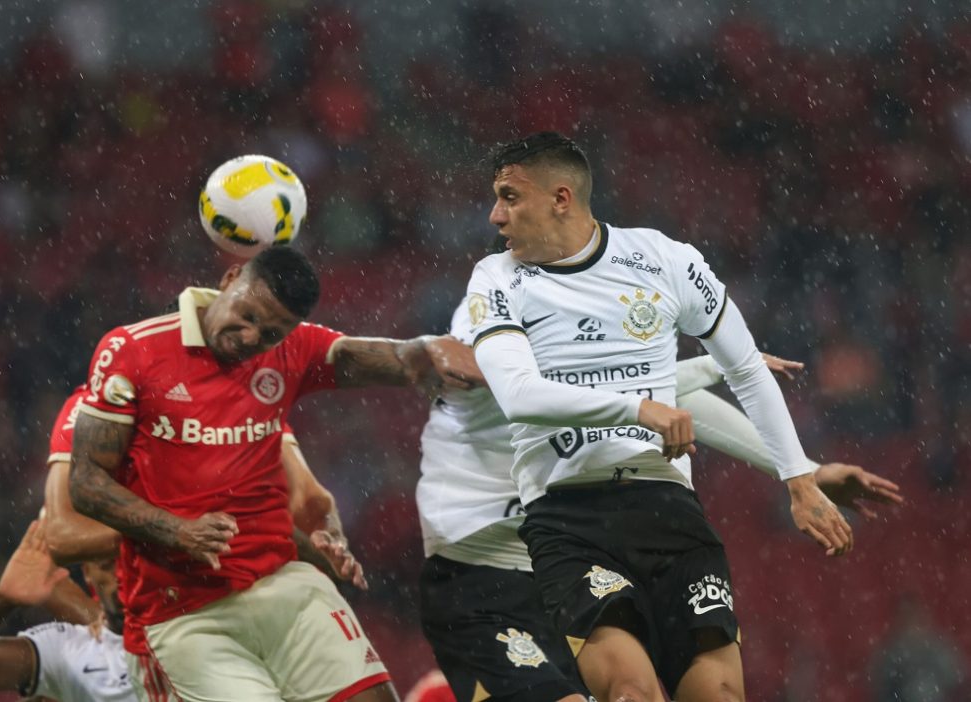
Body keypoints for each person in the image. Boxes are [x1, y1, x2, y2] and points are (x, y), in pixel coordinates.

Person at [465, 132, 855, 701]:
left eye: (509, 196)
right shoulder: (495, 279)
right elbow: (520, 394)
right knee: (631, 692)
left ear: (561, 198)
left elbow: (746, 368)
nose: (495, 214)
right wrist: (638, 409)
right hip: (570, 516)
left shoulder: (665, 260)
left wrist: (799, 480)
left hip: (669, 510)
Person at [417, 293, 902, 702]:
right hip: (487, 576)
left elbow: (658, 395)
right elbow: (536, 388)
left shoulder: (592, 322)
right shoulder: (488, 317)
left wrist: (805, 471)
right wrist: (709, 366)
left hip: (576, 555)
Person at [69, 244, 483, 702]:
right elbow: (86, 483)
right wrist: (177, 531)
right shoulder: (133, 350)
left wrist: (429, 351)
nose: (250, 337)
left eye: (269, 333)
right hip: (182, 613)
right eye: (245, 316)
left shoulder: (293, 349)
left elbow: (371, 356)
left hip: (282, 583)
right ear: (229, 280)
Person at [43, 385, 366, 587]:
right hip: (146, 599)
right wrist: (174, 527)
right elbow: (62, 538)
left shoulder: (245, 393)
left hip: (231, 587)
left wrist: (328, 546)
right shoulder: (98, 403)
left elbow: (311, 502)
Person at [0, 519, 132, 702]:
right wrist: (0, 602)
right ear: (87, 573)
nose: (122, 575)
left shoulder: (161, 632)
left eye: (132, 564)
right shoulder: (67, 649)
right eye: (108, 566)